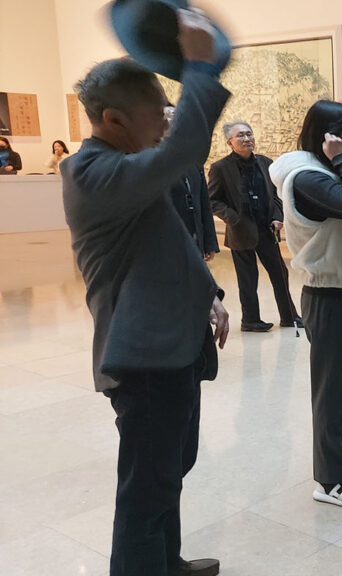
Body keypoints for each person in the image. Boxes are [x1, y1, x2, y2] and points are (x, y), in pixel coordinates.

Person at [62, 13, 229, 576]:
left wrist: (209, 294)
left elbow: (167, 243)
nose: (166, 122)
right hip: (145, 359)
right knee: (145, 491)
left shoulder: (124, 167)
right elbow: (184, 150)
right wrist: (200, 67)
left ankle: (166, 562)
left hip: (169, 347)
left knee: (169, 471)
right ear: (111, 119)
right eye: (157, 113)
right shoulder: (89, 171)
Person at [270, 100, 342, 508]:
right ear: (330, 136)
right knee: (331, 390)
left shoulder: (324, 173)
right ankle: (329, 479)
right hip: (330, 296)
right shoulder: (305, 176)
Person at [208, 120, 301, 332]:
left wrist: (278, 217)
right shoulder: (220, 168)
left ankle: (289, 316)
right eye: (240, 135)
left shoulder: (266, 163)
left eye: (249, 134)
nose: (247, 138)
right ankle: (250, 320)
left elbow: (278, 195)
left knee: (280, 274)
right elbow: (212, 201)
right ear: (230, 142)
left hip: (267, 230)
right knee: (248, 279)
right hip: (241, 231)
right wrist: (234, 218)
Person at [164, 104, 218, 262]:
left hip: (195, 242)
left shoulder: (193, 159)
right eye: (168, 121)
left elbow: (204, 202)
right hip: (167, 246)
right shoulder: (149, 161)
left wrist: (209, 243)